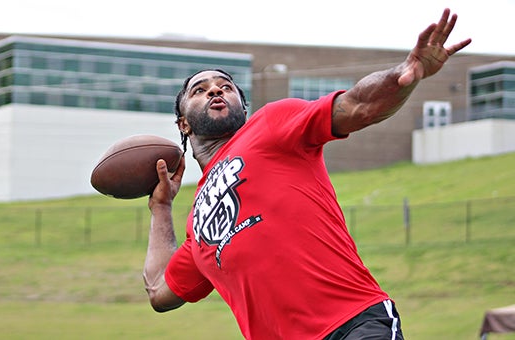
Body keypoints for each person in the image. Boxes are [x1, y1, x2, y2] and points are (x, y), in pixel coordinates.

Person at [143, 8, 471, 340]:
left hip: (353, 325)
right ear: (183, 124)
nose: (215, 91)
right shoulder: (198, 222)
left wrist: (405, 73)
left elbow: (358, 106)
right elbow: (159, 292)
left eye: (226, 87)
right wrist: (161, 207)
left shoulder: (271, 124)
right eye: (200, 90)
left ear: (244, 108)